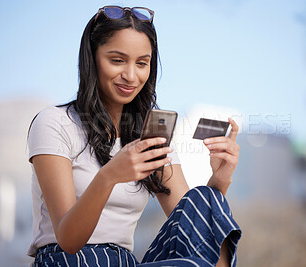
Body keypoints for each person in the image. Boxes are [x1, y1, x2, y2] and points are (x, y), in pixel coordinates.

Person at [27, 5, 241, 267]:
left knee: (205, 199)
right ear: (92, 58)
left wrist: (221, 178)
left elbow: (191, 226)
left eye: (142, 63)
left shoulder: (148, 133)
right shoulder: (55, 122)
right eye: (117, 60)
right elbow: (68, 240)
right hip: (66, 260)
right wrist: (109, 176)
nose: (130, 76)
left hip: (126, 262)